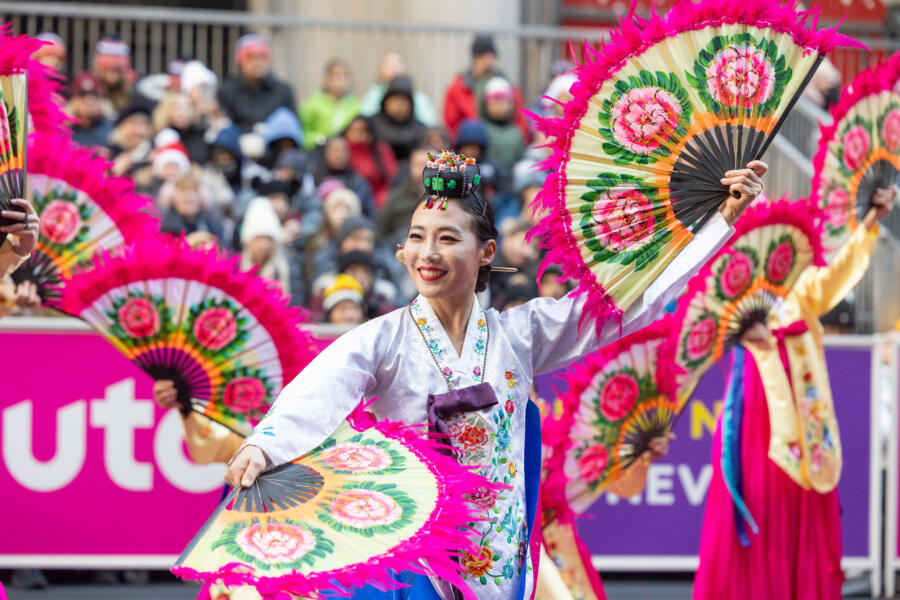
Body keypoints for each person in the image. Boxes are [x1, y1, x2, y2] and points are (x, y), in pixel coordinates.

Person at [225, 151, 767, 599]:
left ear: (486, 252)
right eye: (417, 237)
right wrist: (265, 445)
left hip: (501, 555)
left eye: (447, 238)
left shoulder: (519, 334)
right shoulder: (383, 339)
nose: (427, 253)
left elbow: (625, 302)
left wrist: (717, 221)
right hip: (419, 557)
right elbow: (322, 386)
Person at [692, 187, 896, 600]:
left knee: (801, 498)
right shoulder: (731, 283)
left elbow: (832, 281)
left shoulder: (799, 282)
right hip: (754, 411)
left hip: (805, 412)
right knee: (759, 500)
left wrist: (868, 224)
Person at [443, 35, 529, 140]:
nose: (488, 62)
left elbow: (521, 126)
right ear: (474, 59)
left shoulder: (510, 90)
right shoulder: (458, 88)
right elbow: (451, 125)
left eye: (491, 57)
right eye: (482, 57)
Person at [218, 34, 296, 132]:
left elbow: (292, 123)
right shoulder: (228, 90)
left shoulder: (283, 90)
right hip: (239, 139)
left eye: (262, 57)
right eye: (250, 57)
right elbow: (225, 124)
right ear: (240, 61)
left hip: (274, 139)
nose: (257, 63)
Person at [361, 51, 438, 127]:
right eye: (389, 64)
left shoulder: (419, 98)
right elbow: (365, 121)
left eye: (398, 63)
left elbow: (429, 125)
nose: (394, 67)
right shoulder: (373, 96)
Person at [299, 58, 360, 150]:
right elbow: (302, 132)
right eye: (336, 75)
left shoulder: (355, 106)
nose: (341, 79)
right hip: (318, 149)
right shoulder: (312, 104)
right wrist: (319, 140)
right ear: (327, 79)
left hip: (346, 151)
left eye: (344, 76)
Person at [370, 75, 428, 163]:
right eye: (396, 100)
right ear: (386, 101)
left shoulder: (421, 129)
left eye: (404, 101)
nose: (399, 105)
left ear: (411, 104)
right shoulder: (371, 124)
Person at [343, 114, 397, 209]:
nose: (357, 135)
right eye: (353, 130)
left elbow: (391, 176)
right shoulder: (342, 149)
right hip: (350, 198)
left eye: (362, 131)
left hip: (379, 201)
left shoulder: (381, 150)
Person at [67, 72, 113, 151]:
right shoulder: (65, 130)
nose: (90, 100)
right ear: (74, 100)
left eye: (94, 94)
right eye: (83, 94)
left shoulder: (110, 128)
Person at [92, 35, 135, 115]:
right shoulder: (86, 93)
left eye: (116, 70)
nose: (113, 66)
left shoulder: (135, 95)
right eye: (107, 67)